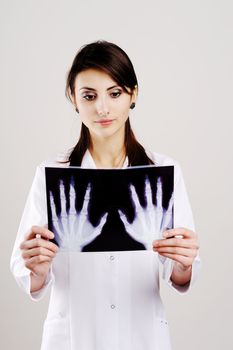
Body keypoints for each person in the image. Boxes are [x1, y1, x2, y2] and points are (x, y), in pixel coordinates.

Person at [10, 40, 200, 350]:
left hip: (142, 336)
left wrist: (183, 262)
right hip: (72, 338)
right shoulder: (50, 174)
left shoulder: (164, 172)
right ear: (73, 98)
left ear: (133, 94)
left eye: (115, 93)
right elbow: (26, 272)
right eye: (89, 96)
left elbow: (178, 276)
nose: (102, 108)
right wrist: (39, 269)